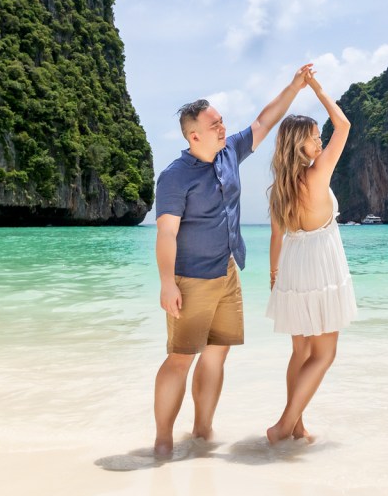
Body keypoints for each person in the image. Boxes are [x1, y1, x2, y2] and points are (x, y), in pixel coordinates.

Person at [151, 66, 313, 458]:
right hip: (190, 279)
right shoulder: (174, 178)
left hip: (227, 272)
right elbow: (167, 233)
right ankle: (162, 441)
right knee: (179, 359)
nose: (223, 128)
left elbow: (264, 120)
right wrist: (167, 283)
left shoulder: (229, 154)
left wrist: (295, 86)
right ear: (194, 135)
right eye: (215, 124)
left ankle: (202, 431)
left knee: (217, 352)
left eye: (222, 122)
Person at [264, 69, 355, 444]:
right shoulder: (317, 175)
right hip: (320, 263)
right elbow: (344, 124)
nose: (321, 143)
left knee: (300, 351)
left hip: (292, 268)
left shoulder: (279, 189)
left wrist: (274, 279)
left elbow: (276, 237)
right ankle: (284, 425)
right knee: (325, 353)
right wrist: (315, 87)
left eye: (320, 138)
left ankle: (297, 428)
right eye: (315, 138)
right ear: (300, 145)